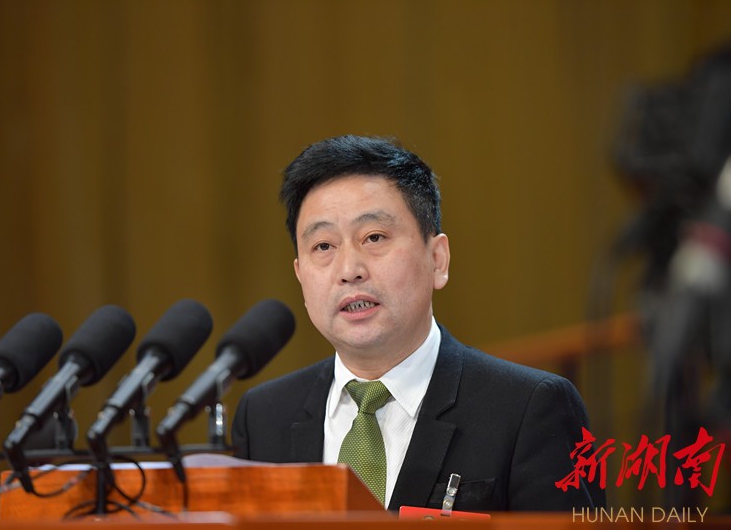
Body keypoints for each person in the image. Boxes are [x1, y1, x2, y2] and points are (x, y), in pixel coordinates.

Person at [231, 135, 604, 511]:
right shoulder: (263, 417)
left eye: (374, 237)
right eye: (323, 246)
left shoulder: (528, 409)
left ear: (437, 259)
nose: (349, 270)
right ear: (300, 274)